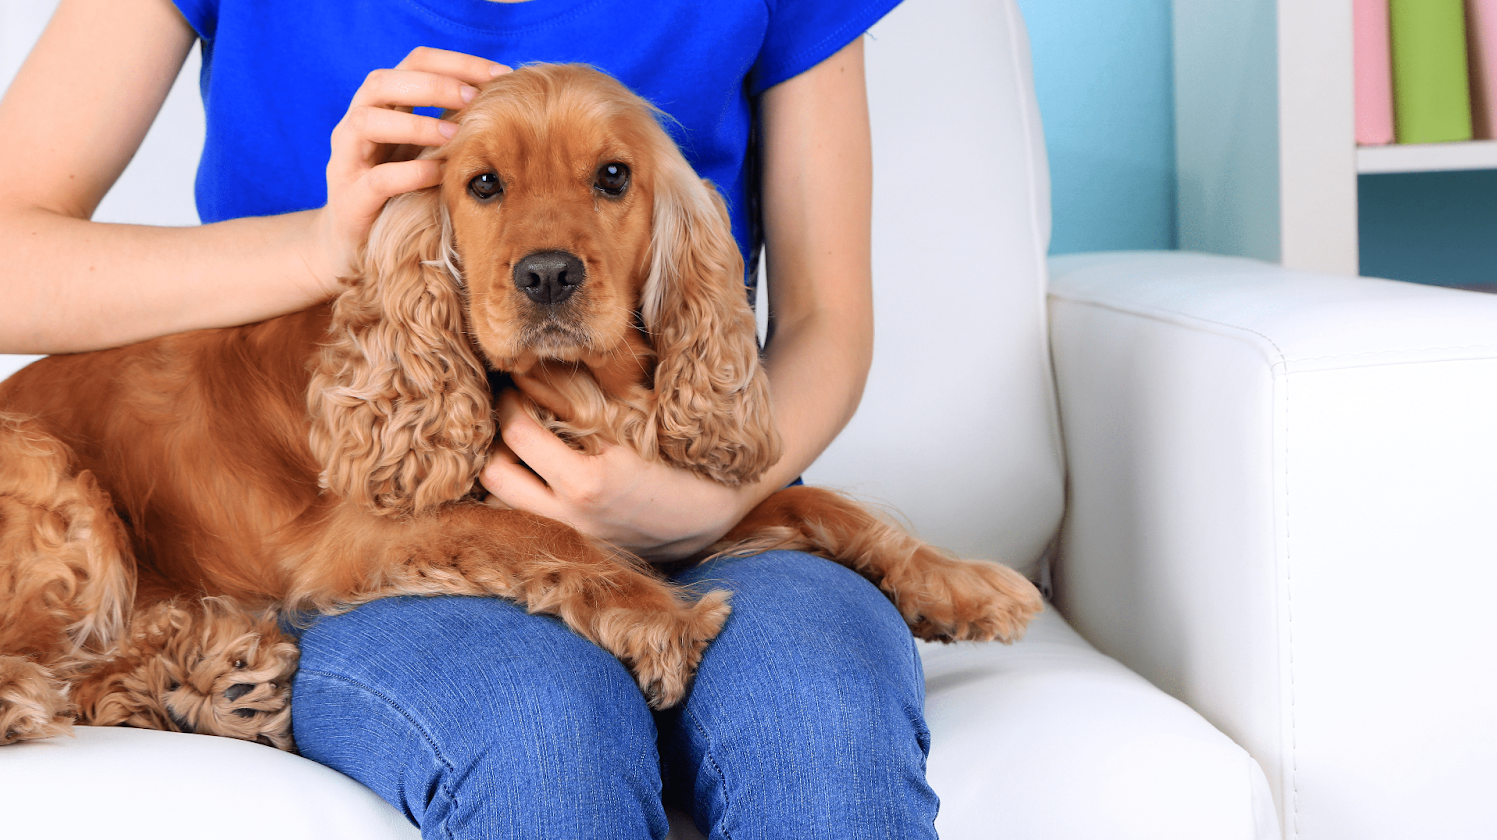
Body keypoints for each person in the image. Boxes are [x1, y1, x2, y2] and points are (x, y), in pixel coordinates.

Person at [0, 0, 939, 836]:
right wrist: (328, 246)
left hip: (701, 486)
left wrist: (711, 498)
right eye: (486, 188)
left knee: (824, 714)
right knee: (541, 728)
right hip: (360, 515)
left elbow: (826, 319)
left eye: (609, 180)